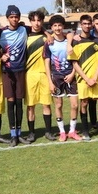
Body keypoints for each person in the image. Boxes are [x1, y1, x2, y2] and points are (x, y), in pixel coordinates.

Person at [43, 14, 81, 141]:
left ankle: (72, 131)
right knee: (58, 105)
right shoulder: (49, 43)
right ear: (51, 27)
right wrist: (50, 82)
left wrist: (72, 75)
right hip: (57, 78)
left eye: (59, 25)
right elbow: (47, 63)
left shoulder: (70, 41)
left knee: (75, 105)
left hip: (70, 76)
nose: (58, 28)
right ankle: (62, 132)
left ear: (63, 26)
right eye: (55, 26)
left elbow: (76, 60)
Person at [69, 14, 98, 140]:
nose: (87, 25)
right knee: (84, 103)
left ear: (91, 25)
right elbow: (74, 62)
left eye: (88, 23)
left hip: (96, 78)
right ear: (81, 25)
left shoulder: (96, 41)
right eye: (84, 23)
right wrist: (86, 79)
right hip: (83, 79)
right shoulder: (75, 41)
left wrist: (95, 77)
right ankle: (85, 131)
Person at [24, 10, 57, 142]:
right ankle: (31, 133)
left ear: (42, 21)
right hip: (29, 74)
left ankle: (48, 131)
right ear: (30, 21)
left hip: (44, 74)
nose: (36, 23)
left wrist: (47, 33)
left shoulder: (48, 37)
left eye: (39, 20)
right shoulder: (25, 34)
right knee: (30, 106)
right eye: (34, 20)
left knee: (46, 104)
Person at [0, 5, 28, 146]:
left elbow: (40, 29)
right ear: (7, 18)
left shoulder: (24, 29)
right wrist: (0, 55)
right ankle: (13, 135)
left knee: (19, 103)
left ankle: (20, 134)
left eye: (16, 16)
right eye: (11, 17)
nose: (14, 19)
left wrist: (46, 34)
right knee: (10, 103)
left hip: (21, 71)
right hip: (7, 72)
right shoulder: (1, 33)